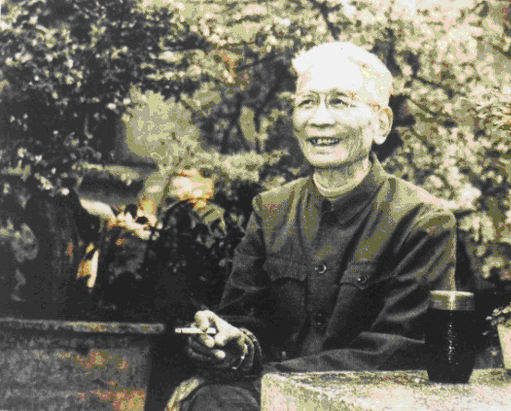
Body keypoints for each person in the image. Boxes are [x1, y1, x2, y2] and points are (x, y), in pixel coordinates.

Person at [165, 41, 456, 411]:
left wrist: (267, 376)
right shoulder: (271, 211)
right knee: (212, 401)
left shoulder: (422, 222)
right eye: (307, 103)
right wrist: (227, 344)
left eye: (339, 102)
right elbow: (245, 321)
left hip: (367, 402)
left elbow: (397, 352)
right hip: (269, 397)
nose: (319, 119)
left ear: (381, 124)